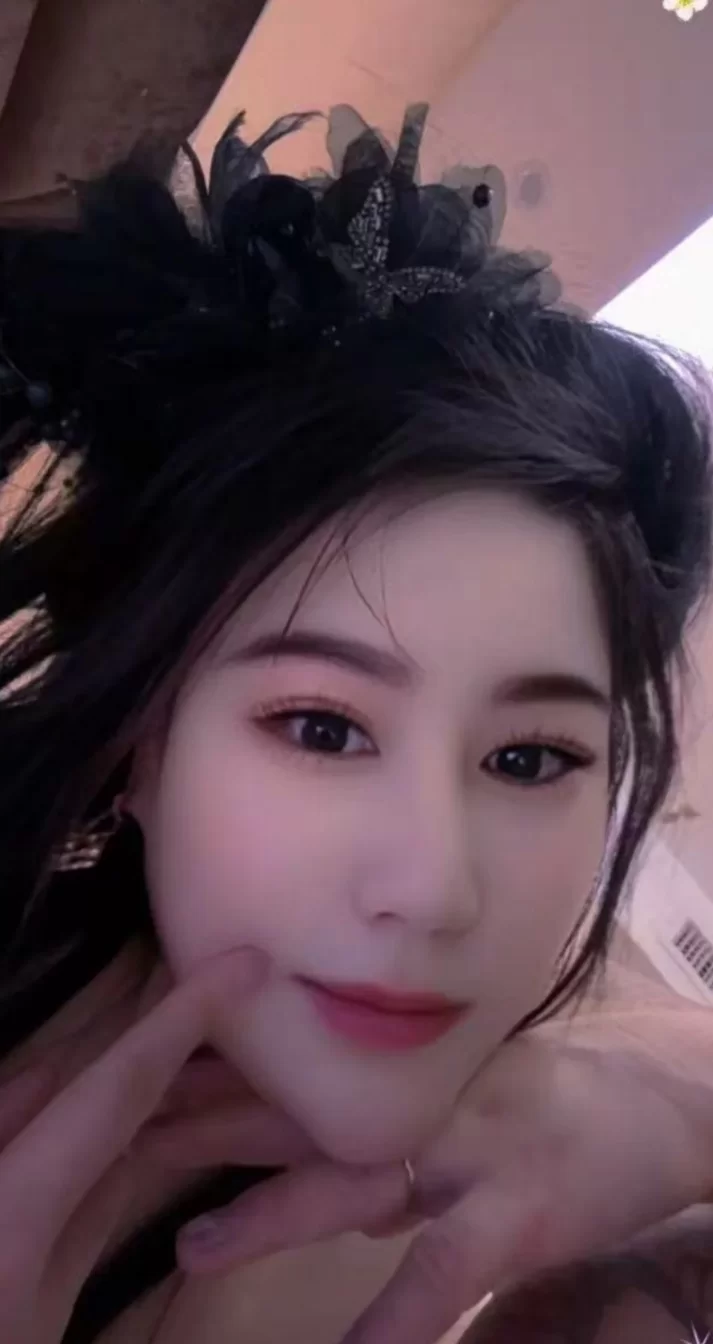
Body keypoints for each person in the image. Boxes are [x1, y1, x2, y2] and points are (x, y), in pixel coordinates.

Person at [0, 102, 711, 1344]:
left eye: (528, 758)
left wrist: (666, 1105)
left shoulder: (498, 1157)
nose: (434, 890)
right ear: (139, 741)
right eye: (323, 730)